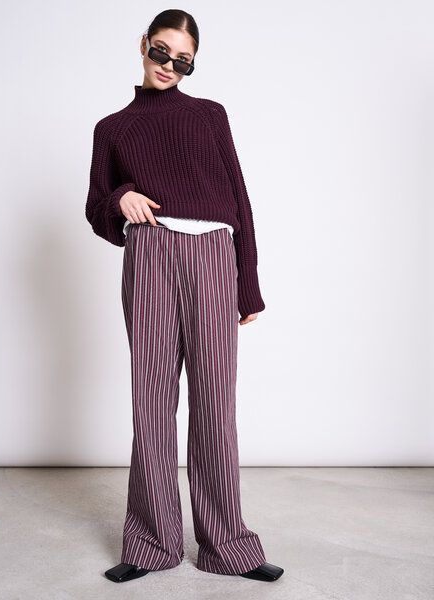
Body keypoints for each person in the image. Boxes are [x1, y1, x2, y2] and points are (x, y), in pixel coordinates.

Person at [85, 9, 284, 584]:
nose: (169, 66)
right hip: (150, 253)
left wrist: (248, 282)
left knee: (216, 402)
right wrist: (120, 197)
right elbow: (96, 209)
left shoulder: (208, 115)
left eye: (183, 60)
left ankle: (229, 547)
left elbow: (239, 200)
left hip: (214, 255)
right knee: (151, 399)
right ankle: (151, 545)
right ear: (143, 45)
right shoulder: (112, 128)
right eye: (161, 52)